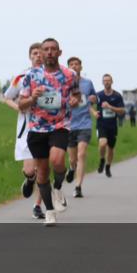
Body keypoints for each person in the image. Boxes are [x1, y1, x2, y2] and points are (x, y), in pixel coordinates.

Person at [17, 38, 82, 227]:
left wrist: (75, 101)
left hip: (60, 125)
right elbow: (21, 105)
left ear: (60, 53)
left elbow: (76, 95)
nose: (50, 52)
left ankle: (59, 187)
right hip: (37, 128)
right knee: (43, 173)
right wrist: (32, 98)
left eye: (54, 49)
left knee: (57, 160)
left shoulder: (70, 75)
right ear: (41, 53)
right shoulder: (31, 76)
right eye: (46, 49)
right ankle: (50, 211)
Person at [5, 42, 46, 219]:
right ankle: (30, 180)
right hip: (26, 129)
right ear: (30, 56)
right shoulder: (21, 77)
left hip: (46, 127)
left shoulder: (52, 76)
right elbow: (7, 97)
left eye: (40, 53)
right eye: (34, 53)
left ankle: (38, 206)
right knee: (30, 170)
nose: (38, 56)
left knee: (43, 169)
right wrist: (18, 107)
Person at [65, 57, 97, 198]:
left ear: (81, 67)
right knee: (72, 159)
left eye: (76, 64)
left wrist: (92, 99)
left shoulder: (87, 83)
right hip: (69, 124)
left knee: (81, 154)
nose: (74, 66)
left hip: (84, 123)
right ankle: (72, 168)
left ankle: (78, 187)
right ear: (67, 68)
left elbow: (94, 98)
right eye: (71, 64)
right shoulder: (63, 83)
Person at [96, 74, 126, 177]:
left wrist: (110, 107)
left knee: (111, 149)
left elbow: (122, 111)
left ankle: (108, 166)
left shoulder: (117, 96)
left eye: (108, 80)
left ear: (112, 82)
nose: (106, 82)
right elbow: (89, 105)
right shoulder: (98, 95)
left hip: (112, 125)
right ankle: (102, 160)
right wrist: (94, 113)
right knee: (102, 143)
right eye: (105, 80)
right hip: (101, 124)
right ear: (102, 82)